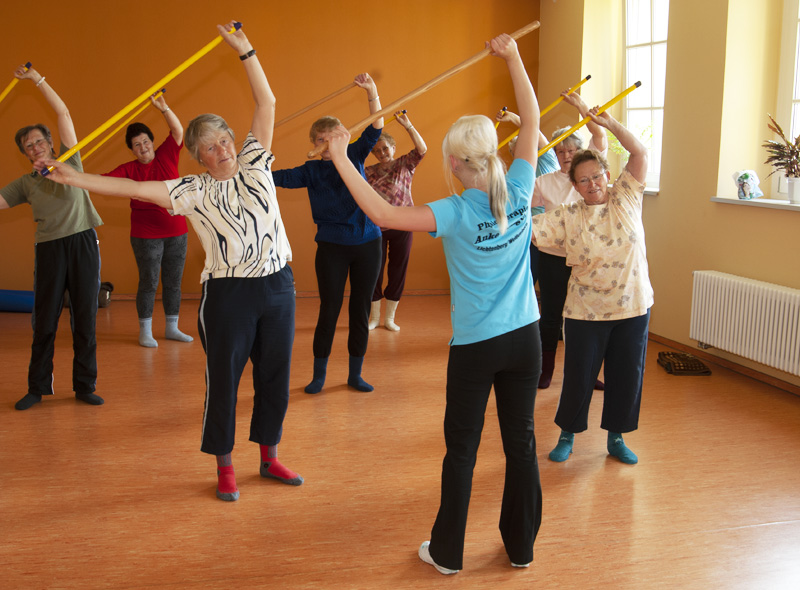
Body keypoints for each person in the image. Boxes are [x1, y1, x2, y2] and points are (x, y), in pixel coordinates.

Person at [37, 21, 302, 500]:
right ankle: (224, 469)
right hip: (229, 295)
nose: (222, 150)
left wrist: (247, 53)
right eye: (210, 147)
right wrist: (74, 180)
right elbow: (134, 188)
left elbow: (267, 104)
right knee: (224, 380)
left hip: (279, 286)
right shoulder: (192, 190)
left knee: (275, 376)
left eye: (225, 140)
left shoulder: (258, 159)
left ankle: (269, 456)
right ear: (198, 157)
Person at [326, 33, 541, 574]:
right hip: (526, 338)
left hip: (477, 347)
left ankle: (447, 555)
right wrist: (513, 57)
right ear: (492, 153)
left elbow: (382, 215)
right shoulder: (518, 185)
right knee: (521, 444)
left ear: (451, 160)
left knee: (463, 451)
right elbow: (533, 123)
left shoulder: (457, 210)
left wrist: (338, 158)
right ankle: (521, 549)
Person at [530, 107, 651, 465]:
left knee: (626, 375)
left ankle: (616, 438)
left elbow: (640, 153)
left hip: (632, 306)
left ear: (607, 174)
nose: (592, 184)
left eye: (596, 176)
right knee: (579, 377)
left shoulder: (626, 197)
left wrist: (609, 124)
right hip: (585, 311)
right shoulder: (567, 216)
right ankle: (567, 434)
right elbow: (527, 229)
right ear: (574, 186)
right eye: (583, 180)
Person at [1, 65, 105, 411]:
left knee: (85, 317)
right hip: (49, 248)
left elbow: (62, 112)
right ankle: (37, 386)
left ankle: (84, 384)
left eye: (39, 141)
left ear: (50, 142)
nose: (35, 148)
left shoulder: (69, 160)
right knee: (44, 319)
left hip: (82, 243)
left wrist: (38, 80)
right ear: (26, 153)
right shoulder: (25, 184)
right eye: (28, 147)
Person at [272, 74, 383, 394]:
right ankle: (318, 375)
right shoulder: (310, 171)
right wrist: (244, 167)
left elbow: (376, 127)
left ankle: (354, 374)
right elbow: (277, 177)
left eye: (332, 136)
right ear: (315, 143)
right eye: (321, 139)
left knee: (360, 309)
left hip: (368, 243)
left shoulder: (355, 155)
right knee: (329, 310)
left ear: (341, 138)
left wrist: (372, 91)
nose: (327, 143)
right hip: (332, 247)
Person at [531, 91, 609, 390]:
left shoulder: (587, 177)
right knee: (551, 315)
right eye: (560, 151)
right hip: (553, 257)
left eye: (570, 150)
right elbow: (523, 207)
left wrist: (580, 106)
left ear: (579, 152)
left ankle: (588, 374)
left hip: (588, 257)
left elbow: (598, 135)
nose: (565, 155)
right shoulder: (544, 181)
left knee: (588, 316)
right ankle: (545, 370)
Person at [103, 94, 193, 348]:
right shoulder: (128, 170)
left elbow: (177, 130)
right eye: (137, 145)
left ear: (152, 142)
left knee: (174, 282)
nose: (143, 147)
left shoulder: (166, 155)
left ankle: (172, 327)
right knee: (149, 281)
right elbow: (105, 182)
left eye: (145, 141)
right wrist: (73, 177)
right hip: (146, 236)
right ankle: (145, 331)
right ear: (131, 150)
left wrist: (164, 108)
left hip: (177, 231)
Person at [364, 110, 427, 331]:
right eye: (377, 150)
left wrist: (408, 125)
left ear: (393, 148)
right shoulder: (367, 171)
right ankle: (374, 317)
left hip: (403, 223)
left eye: (385, 148)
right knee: (374, 270)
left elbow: (422, 149)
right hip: (376, 227)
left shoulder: (404, 164)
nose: (381, 152)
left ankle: (389, 318)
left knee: (398, 269)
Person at [495, 108, 559, 287]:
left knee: (547, 278)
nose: (522, 157)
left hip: (549, 226)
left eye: (524, 150)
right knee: (526, 276)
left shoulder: (547, 159)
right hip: (525, 228)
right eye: (516, 153)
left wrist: (515, 118)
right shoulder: (514, 175)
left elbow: (535, 131)